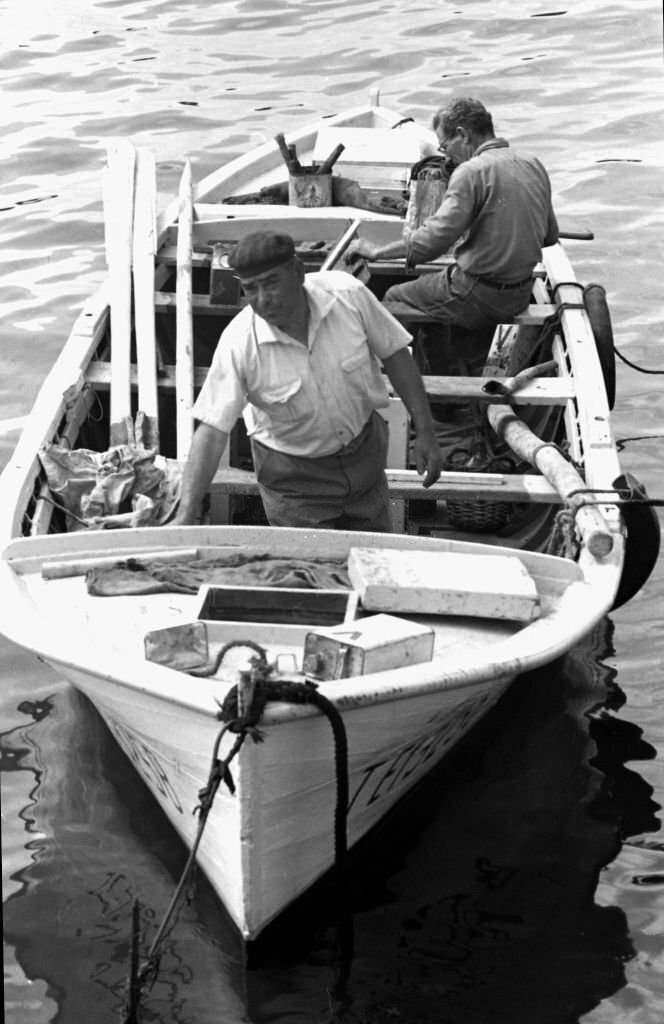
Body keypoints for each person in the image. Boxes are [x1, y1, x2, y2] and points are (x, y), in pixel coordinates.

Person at [172, 230, 442, 531]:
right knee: (311, 570)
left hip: (364, 460)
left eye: (272, 283)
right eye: (251, 289)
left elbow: (396, 356)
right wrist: (186, 513)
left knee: (373, 558)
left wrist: (427, 432)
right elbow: (211, 431)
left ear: (299, 271)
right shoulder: (239, 342)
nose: (263, 300)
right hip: (294, 482)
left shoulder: (348, 295)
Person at [349, 97, 559, 371]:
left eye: (445, 146)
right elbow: (550, 236)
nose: (445, 155)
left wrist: (376, 251)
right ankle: (449, 366)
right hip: (518, 292)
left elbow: (431, 243)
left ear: (462, 134)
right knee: (436, 299)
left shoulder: (470, 172)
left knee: (395, 296)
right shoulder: (533, 164)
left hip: (477, 293)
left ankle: (398, 380)